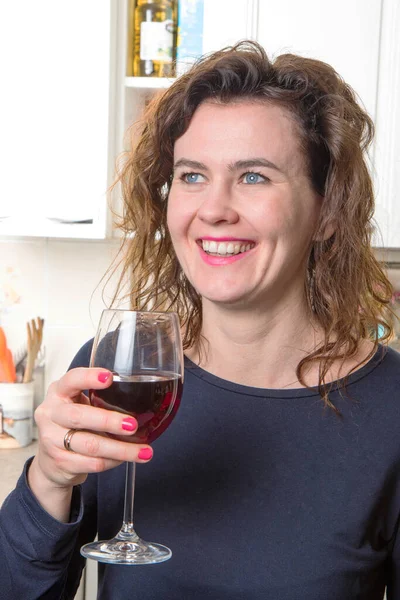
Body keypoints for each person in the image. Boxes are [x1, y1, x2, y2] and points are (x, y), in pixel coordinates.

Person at [0, 40, 399, 600]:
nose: (213, 208)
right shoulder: (110, 373)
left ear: (327, 211)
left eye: (254, 176)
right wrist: (47, 479)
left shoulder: (391, 406)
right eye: (191, 176)